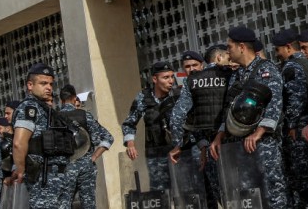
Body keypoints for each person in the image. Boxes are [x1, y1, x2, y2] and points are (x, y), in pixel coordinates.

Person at [209, 27, 288, 208]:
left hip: (264, 144)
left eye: (230, 47)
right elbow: (230, 109)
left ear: (242, 47)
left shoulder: (266, 70)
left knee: (273, 195)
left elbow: (274, 104)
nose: (228, 51)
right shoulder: (237, 75)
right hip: (241, 146)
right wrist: (220, 135)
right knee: (249, 197)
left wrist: (258, 133)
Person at [168, 50, 227, 208]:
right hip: (204, 148)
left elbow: (177, 116)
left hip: (222, 145)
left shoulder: (198, 83)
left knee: (225, 193)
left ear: (202, 65)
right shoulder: (189, 86)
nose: (191, 69)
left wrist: (177, 144)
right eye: (187, 66)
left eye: (195, 65)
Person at [11, 63, 71, 208]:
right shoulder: (29, 108)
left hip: (58, 177)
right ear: (30, 85)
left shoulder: (44, 109)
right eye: (43, 83)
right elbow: (19, 143)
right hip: (42, 178)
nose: (49, 87)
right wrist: (20, 170)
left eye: (51, 84)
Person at [273, 29, 308, 208]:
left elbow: (295, 98)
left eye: (278, 50)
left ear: (288, 47)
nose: (277, 54)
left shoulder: (292, 66)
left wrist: (290, 125)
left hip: (299, 126)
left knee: (301, 175)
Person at [121, 61, 178, 191]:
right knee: (160, 193)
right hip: (156, 154)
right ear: (154, 79)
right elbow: (129, 122)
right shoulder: (144, 98)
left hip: (179, 152)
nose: (170, 81)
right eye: (165, 77)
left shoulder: (178, 95)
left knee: (186, 193)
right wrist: (130, 143)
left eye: (171, 76)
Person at [58, 84, 114, 209]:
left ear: (61, 101)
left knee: (63, 204)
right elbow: (108, 138)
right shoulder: (85, 115)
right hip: (86, 166)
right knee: (89, 204)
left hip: (65, 167)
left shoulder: (55, 119)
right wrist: (93, 157)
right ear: (74, 99)